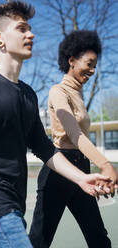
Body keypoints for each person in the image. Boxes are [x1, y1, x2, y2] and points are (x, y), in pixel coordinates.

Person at [0, 3, 112, 248]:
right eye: (22, 28)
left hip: (13, 206)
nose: (31, 34)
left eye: (30, 28)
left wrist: (81, 178)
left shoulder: (28, 94)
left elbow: (44, 148)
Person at [29, 30, 118, 248]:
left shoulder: (78, 93)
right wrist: (105, 165)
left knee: (99, 239)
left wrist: (93, 172)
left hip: (82, 168)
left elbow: (82, 139)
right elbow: (74, 134)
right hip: (59, 170)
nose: (93, 70)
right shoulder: (58, 91)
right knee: (39, 242)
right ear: (71, 61)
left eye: (95, 65)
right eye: (89, 63)